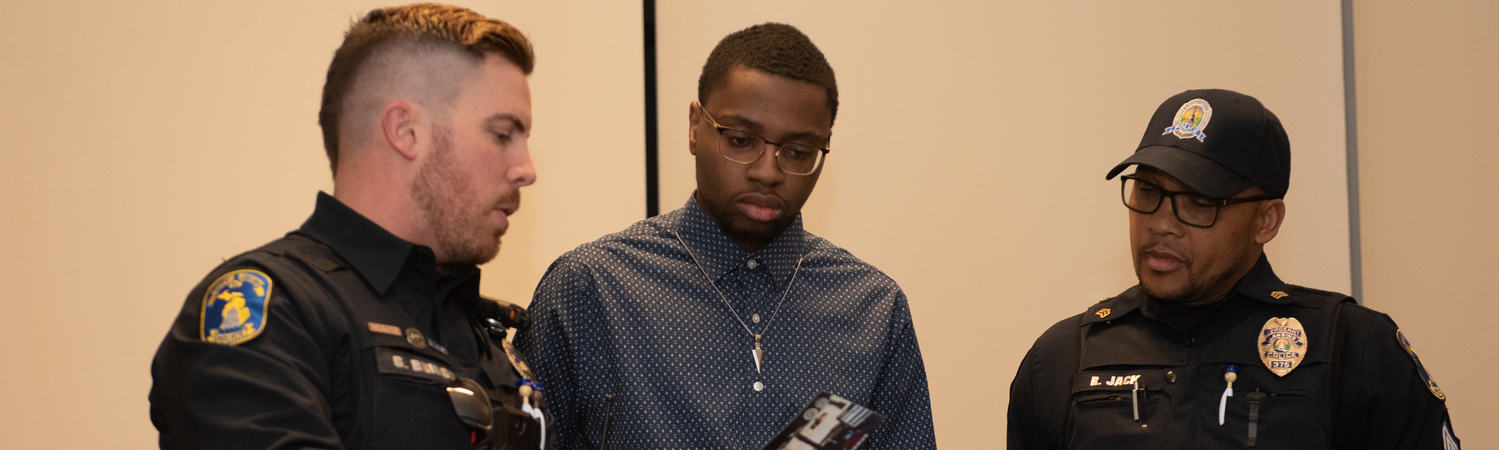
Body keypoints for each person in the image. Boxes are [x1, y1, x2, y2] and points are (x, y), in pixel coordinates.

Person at [515, 23, 936, 449]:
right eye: (740, 140)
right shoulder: (588, 290)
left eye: (797, 152)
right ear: (696, 125)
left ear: (825, 147)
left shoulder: (874, 311)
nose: (767, 171)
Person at [150, 4, 546, 449]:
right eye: (501, 134)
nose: (526, 169)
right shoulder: (275, 311)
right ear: (406, 131)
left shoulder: (484, 337)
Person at [1007, 89, 1461, 449]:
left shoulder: (1355, 350)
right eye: (1146, 191)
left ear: (1266, 220)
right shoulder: (1062, 360)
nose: (1161, 223)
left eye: (1199, 203)